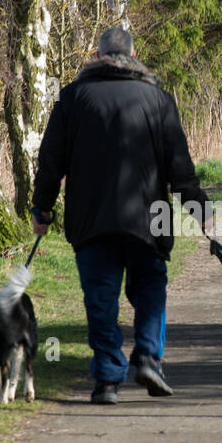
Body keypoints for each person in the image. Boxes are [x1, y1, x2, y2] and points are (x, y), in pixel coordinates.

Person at [30, 27, 210, 405]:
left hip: (92, 218)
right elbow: (179, 165)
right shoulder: (158, 100)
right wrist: (198, 208)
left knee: (101, 299)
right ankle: (147, 356)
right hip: (151, 217)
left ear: (97, 56)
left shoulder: (72, 99)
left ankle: (108, 380)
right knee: (150, 288)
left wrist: (42, 208)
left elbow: (50, 162)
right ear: (132, 55)